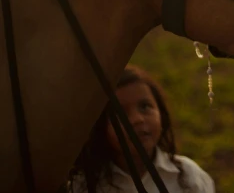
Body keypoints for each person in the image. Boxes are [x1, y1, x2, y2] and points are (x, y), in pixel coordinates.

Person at [67, 65, 216, 193]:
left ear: (161, 113)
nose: (137, 119)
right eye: (120, 114)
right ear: (99, 127)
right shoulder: (84, 185)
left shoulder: (187, 176)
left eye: (145, 107)